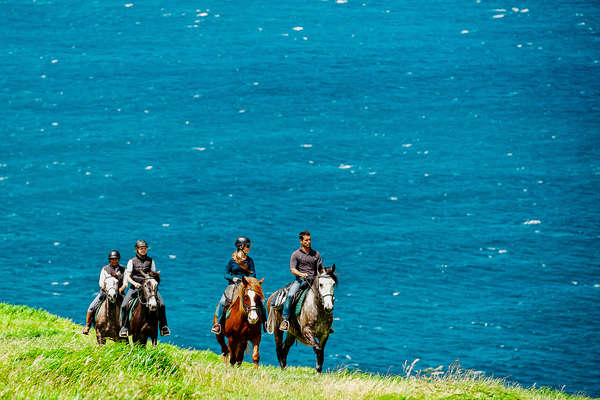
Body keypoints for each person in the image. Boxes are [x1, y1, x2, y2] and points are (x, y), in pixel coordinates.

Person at [211, 236, 267, 334]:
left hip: (246, 285)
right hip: (233, 285)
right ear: (241, 247)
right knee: (223, 301)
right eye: (248, 246)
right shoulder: (232, 260)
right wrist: (233, 278)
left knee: (260, 301)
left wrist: (248, 281)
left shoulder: (250, 260)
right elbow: (226, 274)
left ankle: (265, 323)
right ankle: (218, 324)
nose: (249, 248)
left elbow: (253, 274)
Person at [118, 240, 170, 337]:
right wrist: (134, 283)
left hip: (149, 288)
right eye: (141, 248)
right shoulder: (131, 261)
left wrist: (155, 276)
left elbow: (153, 274)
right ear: (137, 249)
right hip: (135, 287)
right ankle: (124, 327)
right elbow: (127, 276)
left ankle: (163, 327)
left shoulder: (151, 261)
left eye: (145, 248)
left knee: (162, 304)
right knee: (124, 305)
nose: (143, 250)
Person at [279, 230, 324, 331]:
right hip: (300, 280)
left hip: (314, 281)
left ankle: (326, 321)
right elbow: (293, 269)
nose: (309, 242)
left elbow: (320, 268)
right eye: (306, 240)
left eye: (310, 240)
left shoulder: (316, 254)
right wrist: (301, 274)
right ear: (301, 241)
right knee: (290, 295)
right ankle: (285, 320)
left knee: (326, 297)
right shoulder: (296, 254)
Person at [82, 250, 125, 335]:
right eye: (112, 259)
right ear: (109, 260)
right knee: (91, 307)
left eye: (116, 259)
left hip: (119, 292)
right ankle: (87, 326)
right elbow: (101, 282)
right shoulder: (105, 269)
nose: (114, 261)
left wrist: (121, 289)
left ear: (118, 259)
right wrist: (106, 289)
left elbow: (125, 282)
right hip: (106, 292)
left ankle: (127, 327)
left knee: (128, 308)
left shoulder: (123, 269)